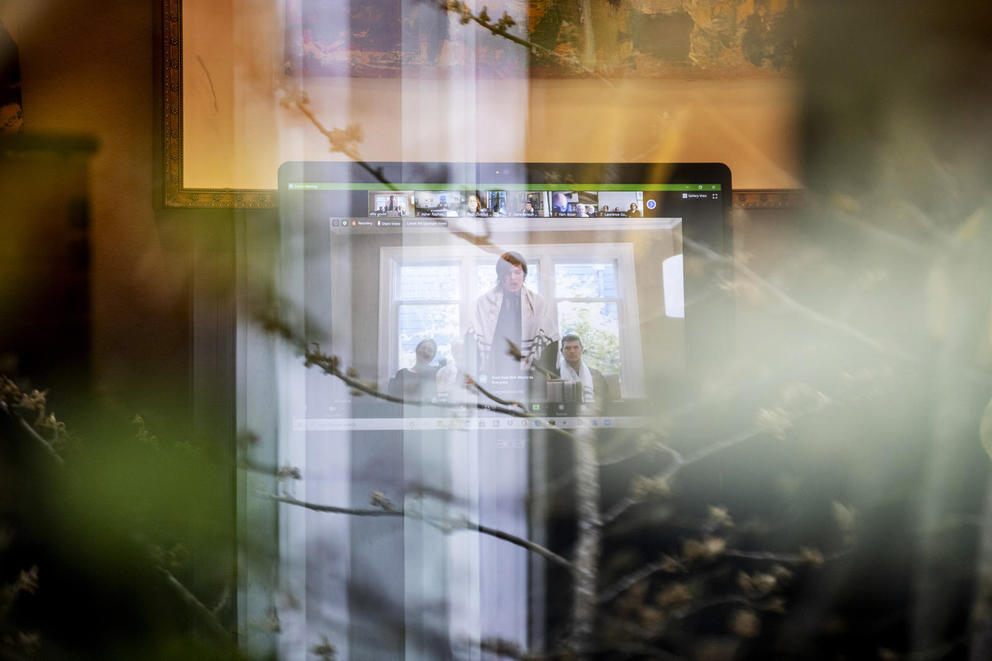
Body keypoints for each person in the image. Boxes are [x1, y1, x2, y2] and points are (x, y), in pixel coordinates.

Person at [467, 252, 559, 378]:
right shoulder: (484, 303)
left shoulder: (537, 303)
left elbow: (551, 337)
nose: (513, 278)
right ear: (500, 275)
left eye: (517, 272)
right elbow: (473, 337)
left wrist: (548, 373)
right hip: (495, 368)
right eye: (508, 273)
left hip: (527, 373)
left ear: (524, 275)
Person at [557, 333, 610, 410]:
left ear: (581, 349)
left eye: (576, 347)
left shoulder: (596, 375)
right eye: (568, 348)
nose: (572, 351)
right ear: (562, 351)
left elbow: (607, 403)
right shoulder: (555, 376)